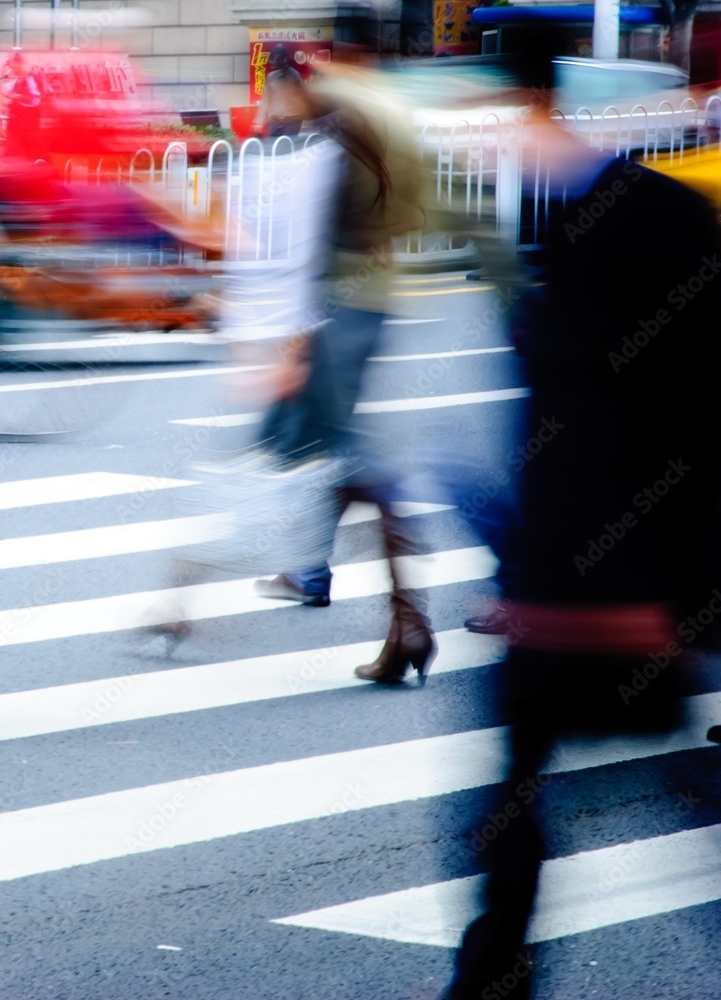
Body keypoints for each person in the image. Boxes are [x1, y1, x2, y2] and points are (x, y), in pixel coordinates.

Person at [441, 33, 721, 999]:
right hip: (607, 581)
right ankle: (490, 976)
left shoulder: (604, 240)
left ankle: (490, 978)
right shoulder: (634, 228)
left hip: (589, 582)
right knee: (653, 793)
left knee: (527, 795)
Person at [250, 64, 436, 685]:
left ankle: (406, 616)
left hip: (334, 309)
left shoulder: (327, 140)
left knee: (331, 451)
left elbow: (304, 248)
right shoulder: (380, 111)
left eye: (274, 94)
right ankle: (314, 571)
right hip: (371, 298)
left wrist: (295, 345)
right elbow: (414, 214)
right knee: (320, 444)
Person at [253, 44, 306, 138]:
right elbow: (265, 100)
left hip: (292, 121)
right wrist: (259, 122)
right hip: (274, 122)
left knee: (287, 148)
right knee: (274, 148)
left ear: (285, 59)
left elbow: (304, 96)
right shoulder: (271, 77)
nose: (275, 65)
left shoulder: (294, 75)